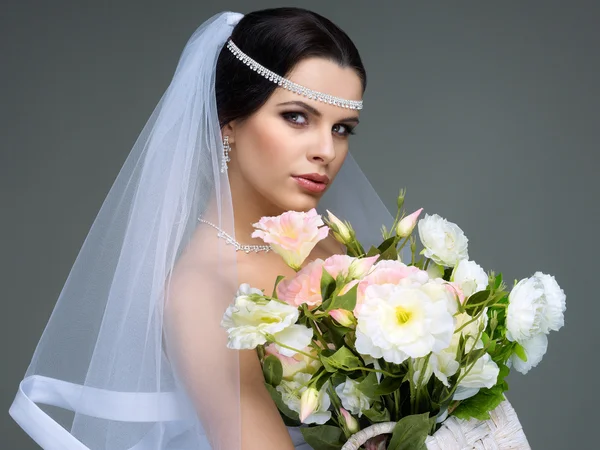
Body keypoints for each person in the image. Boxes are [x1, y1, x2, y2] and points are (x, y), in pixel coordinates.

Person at [9, 8, 395, 449]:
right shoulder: (202, 292)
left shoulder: (330, 241)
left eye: (342, 128)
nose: (326, 150)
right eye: (297, 117)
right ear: (229, 122)